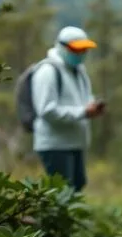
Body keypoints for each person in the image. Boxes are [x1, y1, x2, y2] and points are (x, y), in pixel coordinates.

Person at [31, 26, 104, 192]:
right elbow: (47, 110)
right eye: (76, 49)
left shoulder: (79, 71)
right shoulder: (48, 71)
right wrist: (83, 112)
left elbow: (84, 98)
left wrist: (92, 107)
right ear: (62, 47)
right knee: (62, 192)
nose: (81, 54)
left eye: (84, 49)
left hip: (75, 142)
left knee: (76, 187)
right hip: (55, 144)